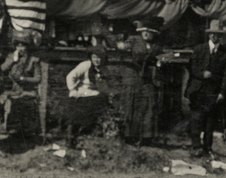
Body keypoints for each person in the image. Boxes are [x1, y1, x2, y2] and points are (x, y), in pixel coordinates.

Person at [182, 19, 226, 159]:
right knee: (196, 120)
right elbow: (191, 68)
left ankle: (207, 148)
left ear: (220, 36)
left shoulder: (225, 53)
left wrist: (222, 92)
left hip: (213, 93)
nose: (213, 36)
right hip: (197, 91)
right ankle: (196, 147)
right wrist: (202, 74)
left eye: (217, 34)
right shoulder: (199, 49)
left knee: (209, 123)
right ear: (209, 34)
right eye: (211, 33)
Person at [116, 16, 164, 146]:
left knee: (149, 106)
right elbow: (122, 48)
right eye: (144, 31)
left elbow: (163, 57)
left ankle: (147, 138)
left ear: (154, 33)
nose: (146, 34)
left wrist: (160, 62)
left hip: (148, 79)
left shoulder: (157, 46)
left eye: (149, 31)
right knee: (131, 106)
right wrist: (122, 45)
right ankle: (129, 137)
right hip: (132, 77)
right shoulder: (133, 40)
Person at [1, 30, 43, 141]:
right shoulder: (11, 57)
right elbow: (2, 69)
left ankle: (28, 134)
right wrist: (12, 60)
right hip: (13, 90)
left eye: (23, 46)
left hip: (28, 90)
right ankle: (14, 133)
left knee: (27, 104)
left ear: (27, 47)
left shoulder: (33, 60)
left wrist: (24, 79)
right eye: (18, 46)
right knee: (11, 104)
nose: (20, 48)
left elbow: (38, 79)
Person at [64, 46, 110, 144]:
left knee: (102, 101)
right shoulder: (85, 65)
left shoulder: (102, 68)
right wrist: (72, 90)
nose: (96, 60)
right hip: (80, 92)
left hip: (93, 93)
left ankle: (94, 133)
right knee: (76, 113)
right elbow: (70, 77)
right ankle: (72, 136)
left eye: (99, 58)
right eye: (94, 57)